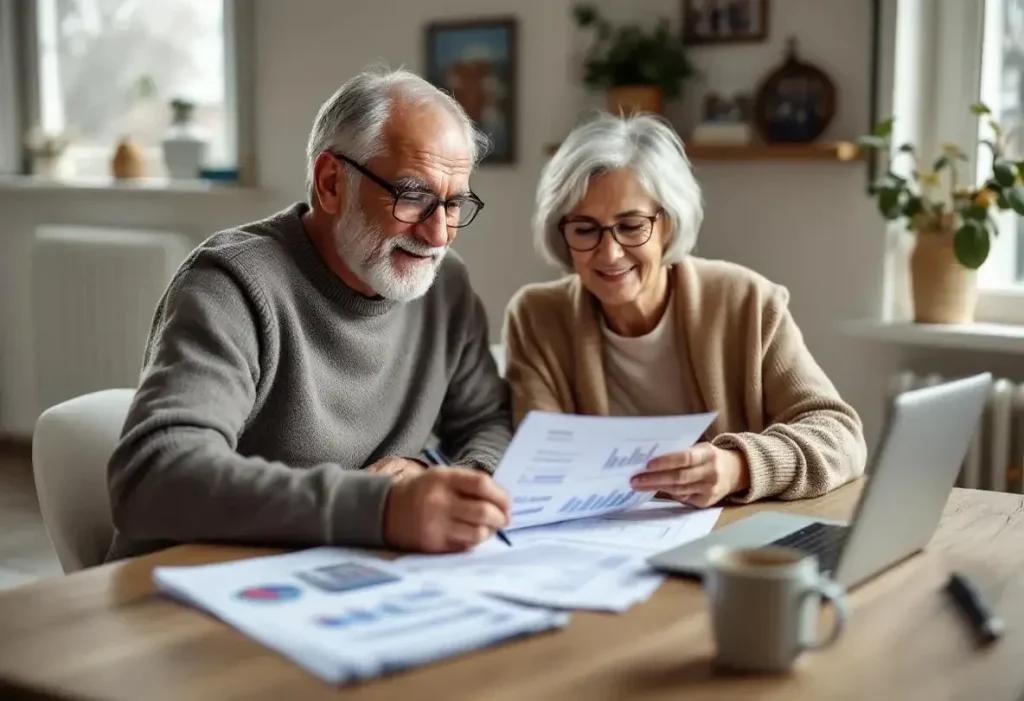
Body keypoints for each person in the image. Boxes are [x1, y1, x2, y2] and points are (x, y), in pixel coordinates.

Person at [106, 66, 513, 561]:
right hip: (188, 581)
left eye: (453, 204)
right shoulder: (231, 284)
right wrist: (381, 508)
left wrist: (452, 480)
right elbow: (156, 475)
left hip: (345, 575)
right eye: (412, 197)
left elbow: (488, 421)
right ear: (331, 183)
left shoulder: (446, 286)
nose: (438, 235)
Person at [503, 112, 867, 509]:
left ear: (669, 225)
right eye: (585, 229)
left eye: (631, 226)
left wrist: (738, 466)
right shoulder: (536, 317)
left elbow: (841, 437)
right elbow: (539, 464)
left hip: (732, 532)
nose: (609, 253)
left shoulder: (747, 301)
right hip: (598, 537)